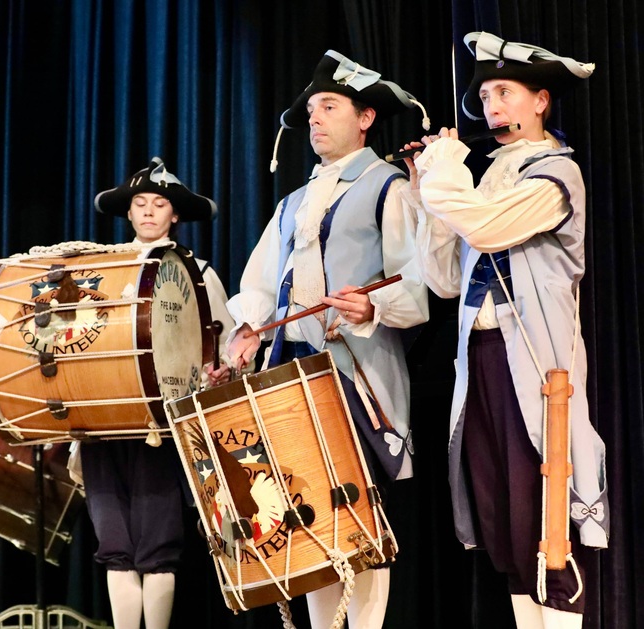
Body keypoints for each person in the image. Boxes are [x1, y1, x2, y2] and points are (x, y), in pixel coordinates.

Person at [401, 32, 609, 628]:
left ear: (540, 100)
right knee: (501, 519)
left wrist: (445, 178)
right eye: (486, 94)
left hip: (537, 367)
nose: (492, 105)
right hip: (482, 358)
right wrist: (425, 191)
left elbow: (489, 230)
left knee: (543, 517)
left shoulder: (556, 175)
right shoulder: (483, 179)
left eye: (505, 91)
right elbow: (443, 280)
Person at [225, 50, 431, 629]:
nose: (314, 119)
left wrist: (373, 304)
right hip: (291, 371)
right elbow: (261, 281)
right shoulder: (292, 202)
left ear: (364, 117)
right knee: (309, 515)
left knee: (358, 514)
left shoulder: (388, 187)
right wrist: (246, 329)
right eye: (311, 110)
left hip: (356, 370)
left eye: (329, 107)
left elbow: (418, 282)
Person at [77, 157, 234, 629]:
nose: (148, 212)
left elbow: (221, 345)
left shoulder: (199, 272)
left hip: (161, 425)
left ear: (175, 215)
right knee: (115, 545)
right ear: (128, 213)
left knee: (158, 544)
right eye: (140, 204)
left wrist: (217, 374)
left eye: (159, 204)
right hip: (104, 421)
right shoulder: (102, 269)